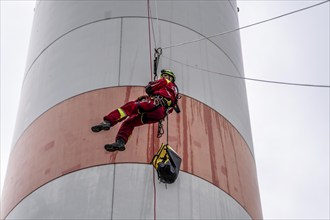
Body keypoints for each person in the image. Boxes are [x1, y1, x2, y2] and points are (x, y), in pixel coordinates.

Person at [91, 69, 179, 152]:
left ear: (168, 77)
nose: (164, 77)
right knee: (129, 122)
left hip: (154, 104)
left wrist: (151, 85)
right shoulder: (174, 94)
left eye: (165, 76)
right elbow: (169, 108)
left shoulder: (165, 81)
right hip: (158, 115)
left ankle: (108, 121)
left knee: (129, 107)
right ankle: (120, 142)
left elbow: (149, 88)